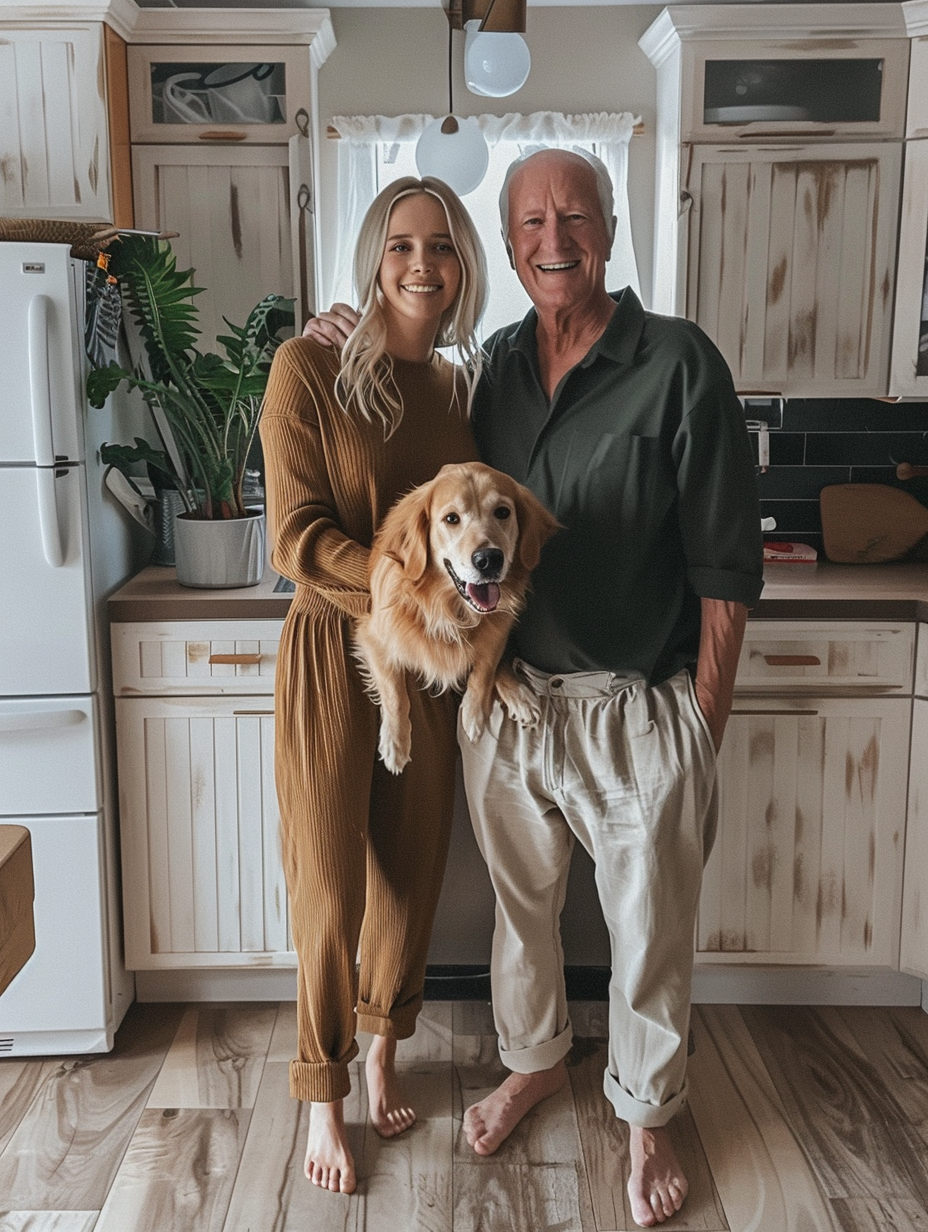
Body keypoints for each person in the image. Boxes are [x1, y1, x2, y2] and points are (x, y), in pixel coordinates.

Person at [305, 148, 763, 1226]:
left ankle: (647, 1113)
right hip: (507, 701)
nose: (552, 239)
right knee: (524, 911)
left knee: (650, 924)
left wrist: (699, 721)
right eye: (528, 223)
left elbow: (725, 567)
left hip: (633, 704)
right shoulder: (493, 368)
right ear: (503, 249)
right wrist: (340, 330)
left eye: (574, 216)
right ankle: (537, 1061)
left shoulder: (680, 362)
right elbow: (419, 451)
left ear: (608, 226)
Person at [260, 175, 487, 1196]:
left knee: (412, 862)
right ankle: (323, 1088)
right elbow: (299, 536)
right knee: (325, 880)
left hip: (429, 663)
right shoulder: (307, 366)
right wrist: (406, 583)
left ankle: (386, 1047)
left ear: (464, 265)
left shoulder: (461, 392)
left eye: (440, 245)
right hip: (331, 651)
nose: (420, 264)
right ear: (373, 253)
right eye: (400, 244)